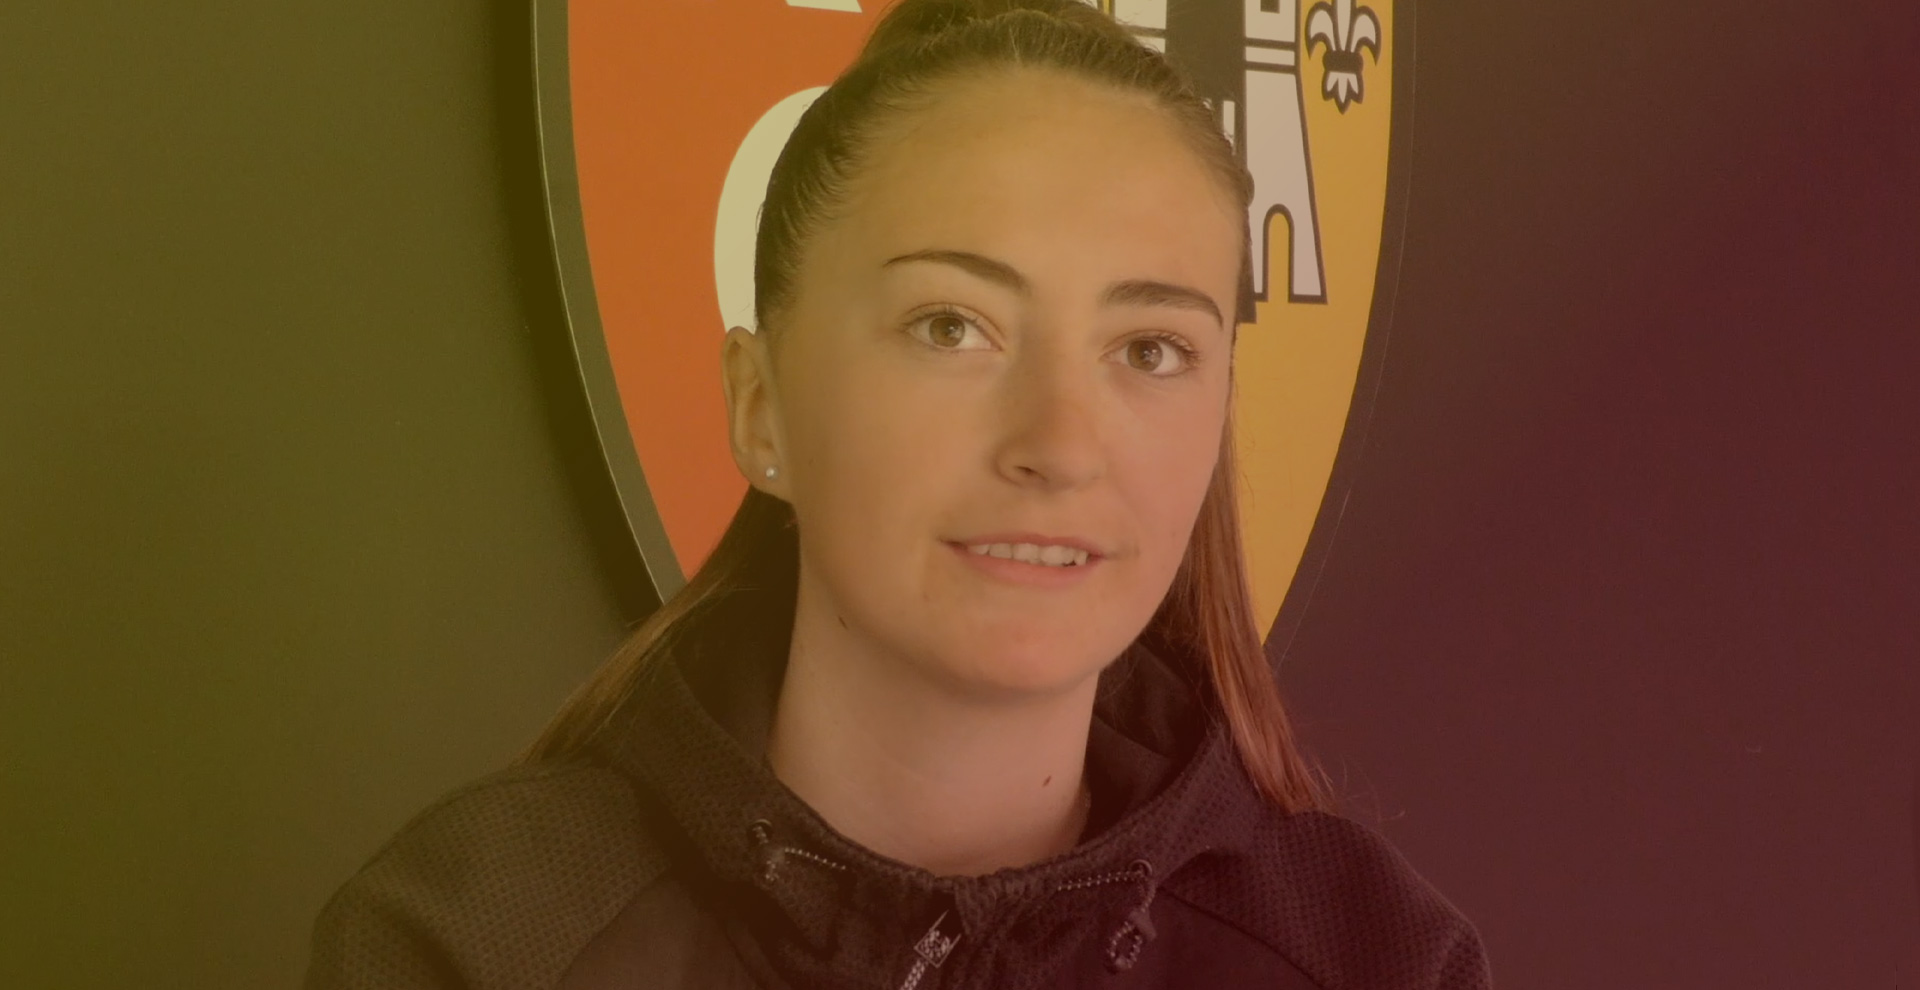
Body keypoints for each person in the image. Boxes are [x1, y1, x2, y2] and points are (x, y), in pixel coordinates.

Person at [305, 1, 1491, 987]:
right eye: (951, 327)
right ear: (761, 406)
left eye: (1149, 349)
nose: (1059, 445)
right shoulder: (478, 941)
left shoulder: (1377, 961)